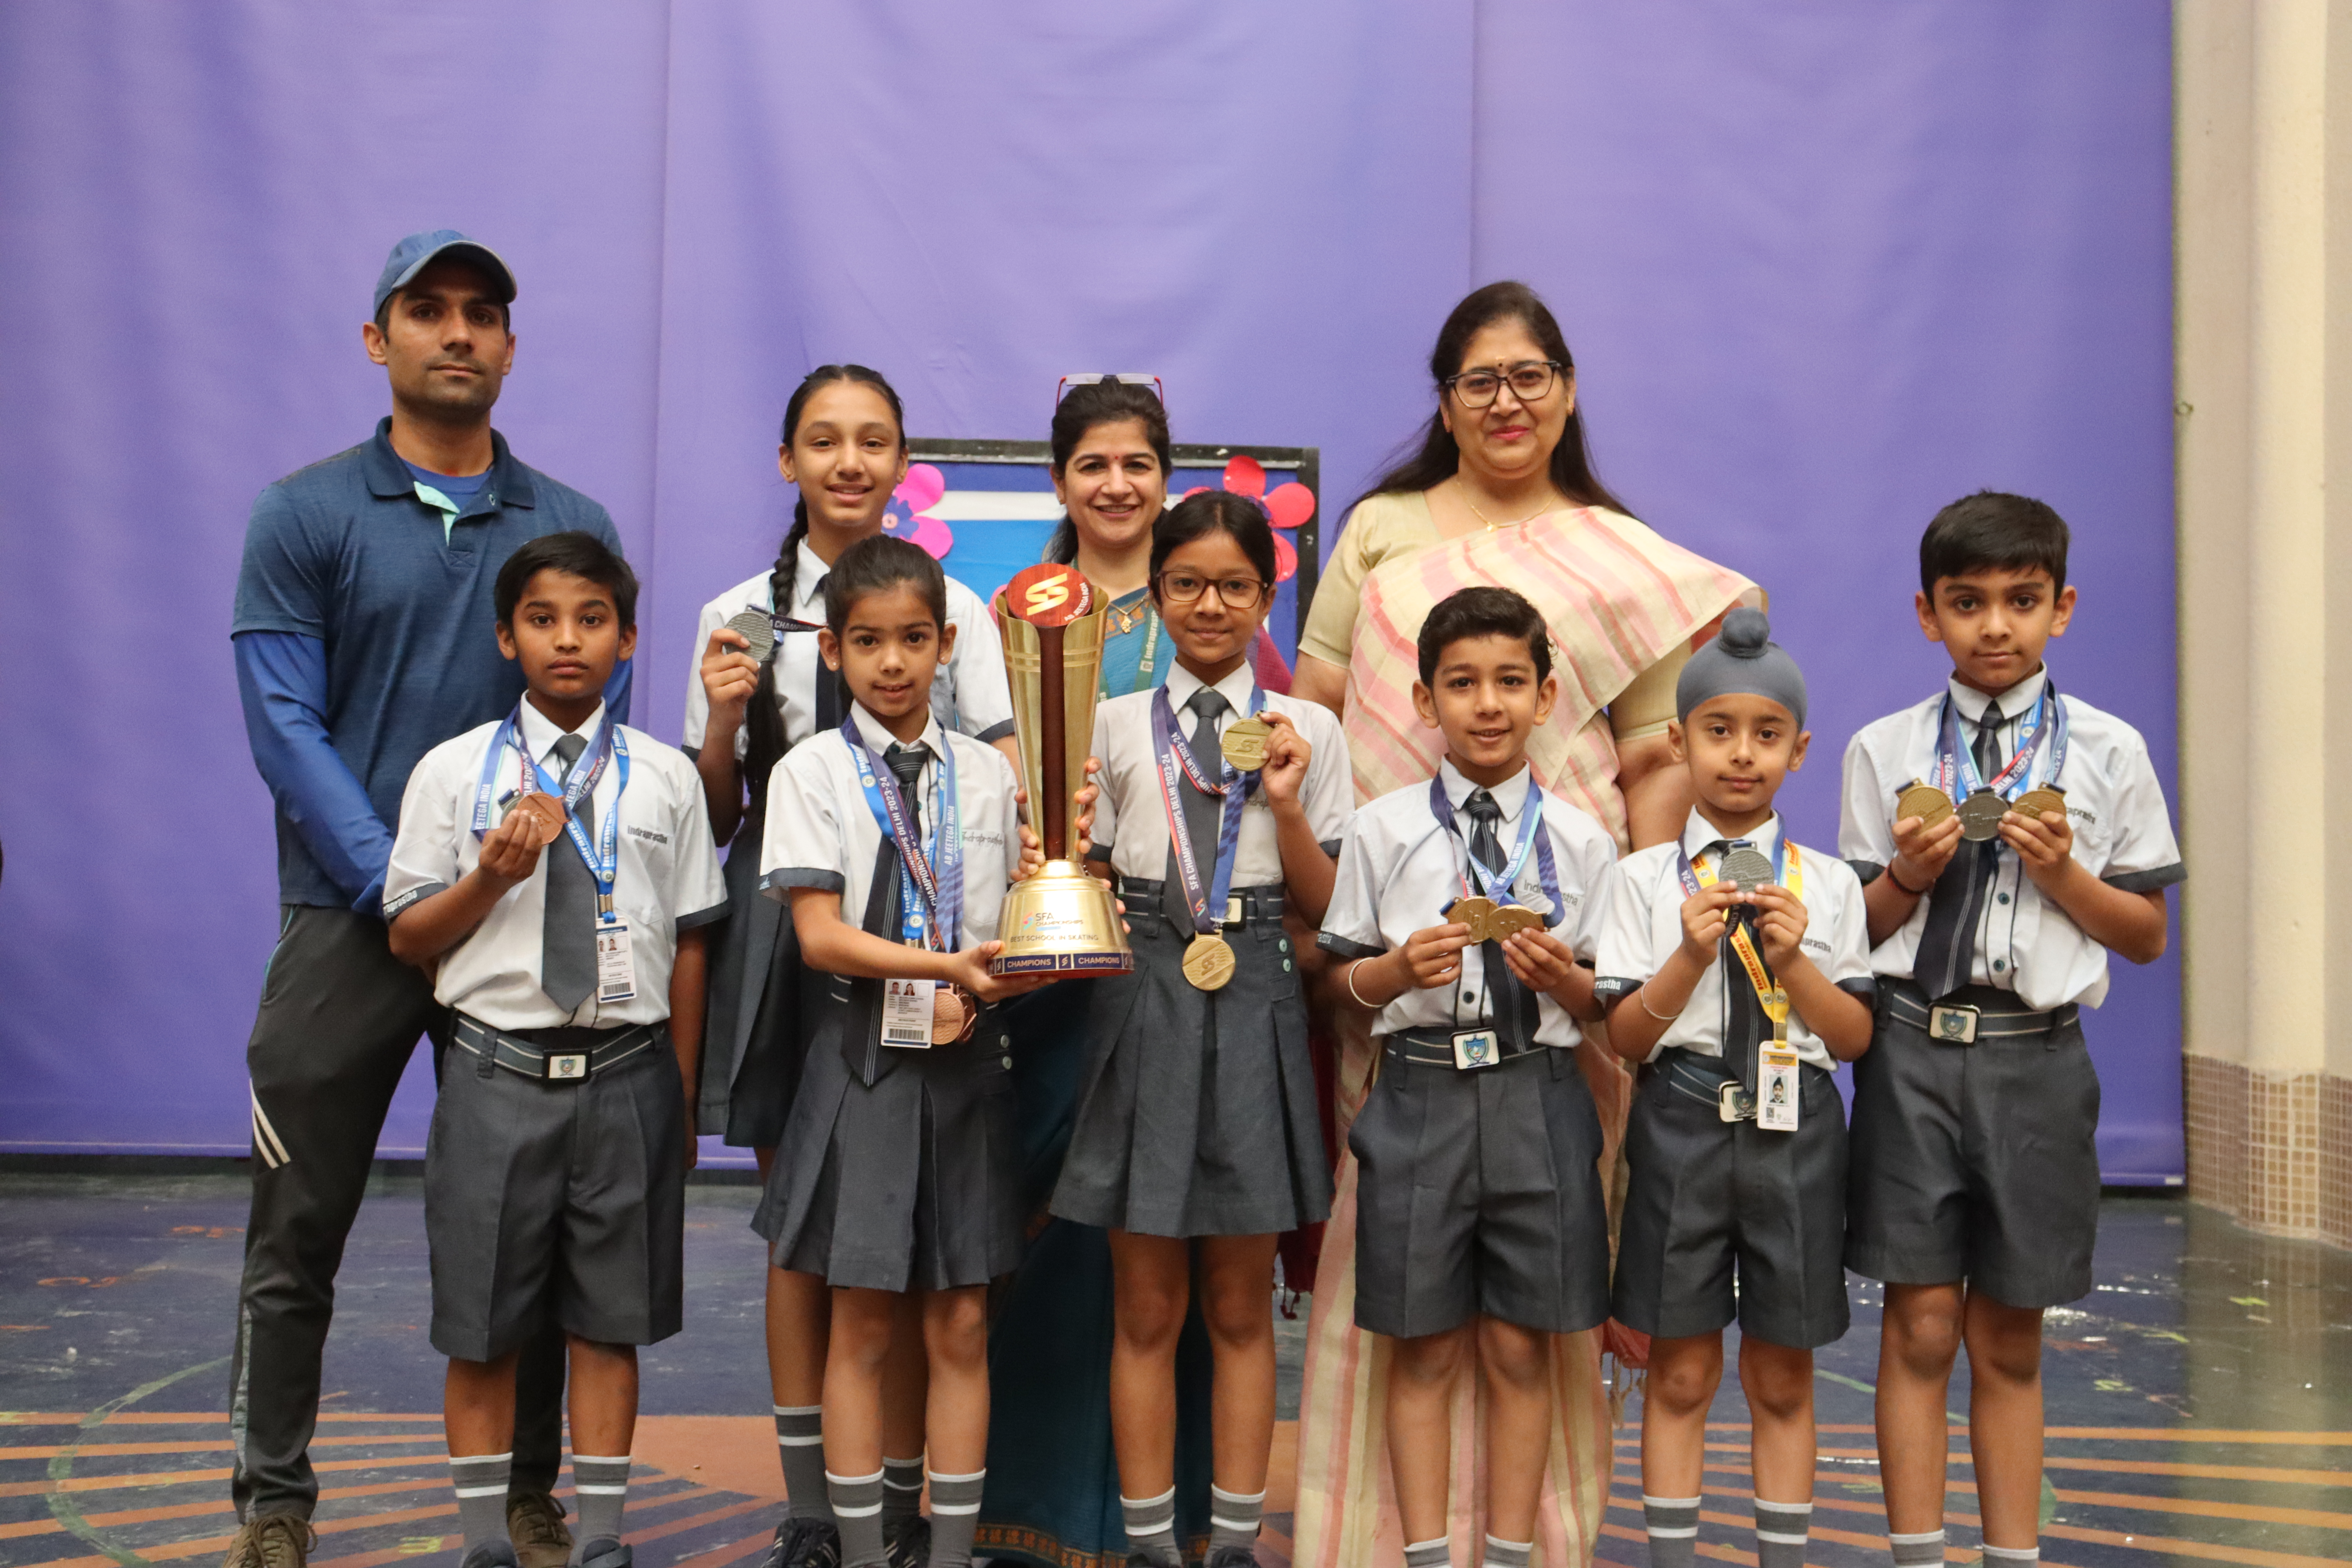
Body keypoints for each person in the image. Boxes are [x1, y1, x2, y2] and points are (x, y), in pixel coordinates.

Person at [1285, 281, 1754, 1568]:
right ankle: (1377, 1538)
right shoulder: (1381, 531)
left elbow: (1652, 760)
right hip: (1398, 939)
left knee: (1536, 1290)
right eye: (1480, 380)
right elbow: (1318, 717)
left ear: (1567, 390)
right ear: (1445, 402)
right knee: (1400, 1268)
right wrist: (1348, 932)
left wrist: (1632, 946)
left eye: (1530, 376)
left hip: (1562, 954)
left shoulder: (1621, 551)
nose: (1507, 401)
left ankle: (1536, 1541)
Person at [225, 231, 628, 1568]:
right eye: (428, 310)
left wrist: (476, 887)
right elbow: (286, 727)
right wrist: (403, 888)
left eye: (482, 314)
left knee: (533, 1236)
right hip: (349, 924)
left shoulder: (568, 524)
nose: (457, 332)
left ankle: (528, 1496)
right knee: (296, 1232)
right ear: (378, 338)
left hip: (518, 928)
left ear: (510, 346)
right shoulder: (303, 515)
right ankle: (273, 1505)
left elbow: (583, 735)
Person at [682, 366, 1016, 1568]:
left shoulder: (958, 609)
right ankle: (814, 1510)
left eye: (874, 440)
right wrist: (724, 721)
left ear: (902, 461)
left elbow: (999, 775)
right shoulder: (736, 611)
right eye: (823, 440)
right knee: (810, 1230)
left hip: (943, 936)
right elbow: (718, 814)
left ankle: (912, 1507)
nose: (849, 462)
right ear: (789, 460)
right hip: (793, 932)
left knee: (915, 1246)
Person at [1837, 493, 2180, 1568]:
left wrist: (2064, 873)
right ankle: (1916, 1554)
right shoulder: (1883, 748)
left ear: (2061, 608)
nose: (1996, 625)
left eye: (2022, 600)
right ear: (1927, 613)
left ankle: (2012, 1557)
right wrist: (1908, 874)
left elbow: (2146, 937)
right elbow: (1855, 933)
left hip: (2037, 1059)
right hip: (1912, 1051)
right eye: (1968, 601)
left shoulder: (2110, 750)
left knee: (2009, 1334)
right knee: (1919, 1322)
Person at [978, 378, 1286, 1568]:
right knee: (1059, 1241)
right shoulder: (1015, 612)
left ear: (1167, 477)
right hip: (1063, 975)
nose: (1116, 484)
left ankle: (1193, 1519)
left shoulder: (1221, 623)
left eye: (1138, 463)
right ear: (1059, 480)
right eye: (1093, 464)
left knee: (1200, 1266)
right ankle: (1040, 1507)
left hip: (1198, 983)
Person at [381, 533, 721, 1568]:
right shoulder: (452, 772)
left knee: (610, 1323)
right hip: (496, 1073)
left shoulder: (666, 777)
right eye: (542, 619)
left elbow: (691, 944)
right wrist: (488, 876)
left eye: (591, 619)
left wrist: (680, 1093)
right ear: (506, 637)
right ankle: (487, 1541)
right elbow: (408, 937)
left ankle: (604, 1537)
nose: (567, 639)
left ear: (628, 639)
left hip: (628, 1075)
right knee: (481, 1325)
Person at [1053, 491, 1351, 1568]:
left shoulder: (1310, 730)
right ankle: (1147, 1543)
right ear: (1157, 594)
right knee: (1145, 1306)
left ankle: (1230, 1542)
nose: (1210, 605)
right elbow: (1084, 872)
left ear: (1268, 595)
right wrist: (1070, 860)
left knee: (1238, 1305)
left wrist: (1288, 802)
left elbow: (1329, 906)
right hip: (1140, 986)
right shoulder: (1111, 719)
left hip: (1260, 986)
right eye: (1186, 584)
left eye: (1234, 585)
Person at [753, 535, 1059, 1568]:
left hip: (971, 1068)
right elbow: (820, 937)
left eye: (915, 640)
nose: (893, 663)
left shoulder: (989, 774)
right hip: (864, 1065)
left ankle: (950, 1550)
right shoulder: (810, 771)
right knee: (862, 1324)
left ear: (948, 645)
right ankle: (860, 1547)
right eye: (870, 642)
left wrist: (1038, 929)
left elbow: (1008, 923)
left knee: (963, 1322)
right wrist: (949, 969)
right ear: (832, 649)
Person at [1316, 588, 1619, 1568]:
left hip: (1541, 1092)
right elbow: (1336, 986)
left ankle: (1513, 1552)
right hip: (1419, 1094)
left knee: (1523, 1344)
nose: (1487, 703)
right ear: (1424, 699)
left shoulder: (1583, 840)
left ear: (1546, 697)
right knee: (1425, 1343)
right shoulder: (1381, 829)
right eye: (1462, 683)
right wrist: (1396, 971)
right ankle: (1426, 1556)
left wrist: (1563, 977)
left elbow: (1608, 1004)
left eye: (1510, 681)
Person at [1591, 609, 1875, 1568]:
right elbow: (1626, 1037)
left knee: (1784, 1373)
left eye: (1766, 733)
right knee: (1679, 1370)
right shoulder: (1642, 882)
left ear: (1800, 749)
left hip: (1797, 1129)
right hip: (1683, 1119)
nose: (1742, 754)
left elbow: (1855, 1036)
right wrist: (1685, 954)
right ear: (1679, 742)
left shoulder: (1828, 884)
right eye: (1719, 730)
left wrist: (1795, 964)